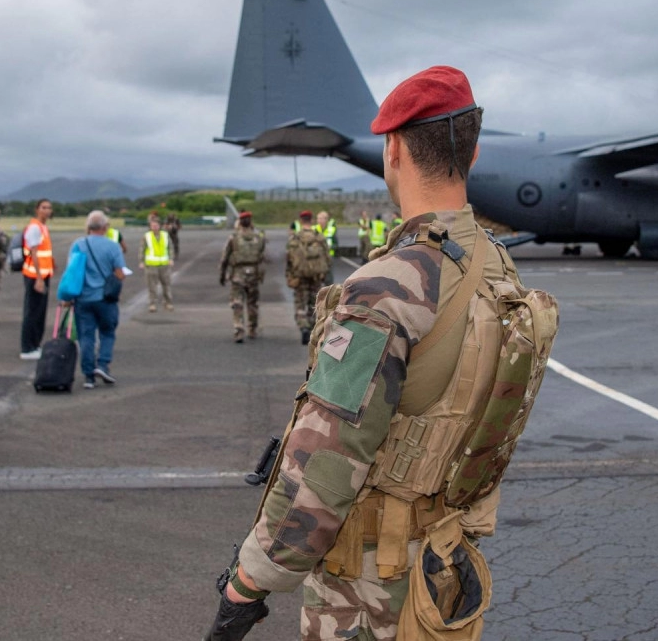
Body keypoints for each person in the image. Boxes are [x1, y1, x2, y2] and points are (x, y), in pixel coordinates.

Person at [204, 66, 556, 641]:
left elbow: (327, 459)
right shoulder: (495, 264)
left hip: (369, 587)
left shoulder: (389, 285)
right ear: (471, 154)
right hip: (442, 569)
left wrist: (249, 580)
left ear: (393, 150)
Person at [67, 211, 126, 389]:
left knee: (86, 336)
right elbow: (119, 273)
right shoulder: (113, 246)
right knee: (107, 332)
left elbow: (72, 272)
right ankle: (103, 364)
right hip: (105, 298)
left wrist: (67, 297)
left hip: (83, 298)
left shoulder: (78, 245)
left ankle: (88, 376)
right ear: (105, 227)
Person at [219, 210, 266, 343]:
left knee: (237, 303)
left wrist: (222, 275)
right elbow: (262, 257)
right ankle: (252, 329)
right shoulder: (259, 237)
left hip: (238, 275)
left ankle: (239, 330)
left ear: (239, 223)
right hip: (254, 274)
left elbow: (224, 258)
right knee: (252, 303)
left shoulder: (233, 238)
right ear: (251, 222)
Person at [284, 210, 329, 345]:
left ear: (300, 221)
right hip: (316, 276)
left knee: (300, 302)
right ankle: (312, 329)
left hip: (300, 276)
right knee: (313, 303)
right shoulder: (319, 237)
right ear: (312, 220)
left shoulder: (295, 239)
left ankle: (303, 326)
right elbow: (327, 258)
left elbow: (289, 259)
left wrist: (289, 275)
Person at [19, 199, 54, 360]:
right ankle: (27, 347)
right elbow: (33, 253)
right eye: (43, 207)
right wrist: (39, 279)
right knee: (32, 312)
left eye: (49, 208)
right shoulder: (34, 227)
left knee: (40, 312)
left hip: (44, 274)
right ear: (37, 209)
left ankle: (35, 344)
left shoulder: (43, 227)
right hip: (34, 275)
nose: (47, 210)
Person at [139, 217, 174, 312]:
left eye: (156, 225)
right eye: (152, 225)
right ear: (150, 227)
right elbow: (142, 249)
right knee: (152, 286)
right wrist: (141, 261)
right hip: (151, 265)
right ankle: (152, 304)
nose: (154, 227)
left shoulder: (165, 235)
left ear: (160, 226)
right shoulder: (147, 236)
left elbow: (170, 247)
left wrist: (171, 258)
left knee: (166, 285)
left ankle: (168, 302)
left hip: (164, 264)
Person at [315, 210, 337, 286]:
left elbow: (336, 244)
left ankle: (328, 296)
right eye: (318, 218)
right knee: (316, 279)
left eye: (321, 218)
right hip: (316, 257)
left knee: (328, 280)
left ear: (326, 220)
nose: (319, 220)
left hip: (328, 258)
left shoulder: (332, 230)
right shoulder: (314, 229)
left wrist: (330, 247)